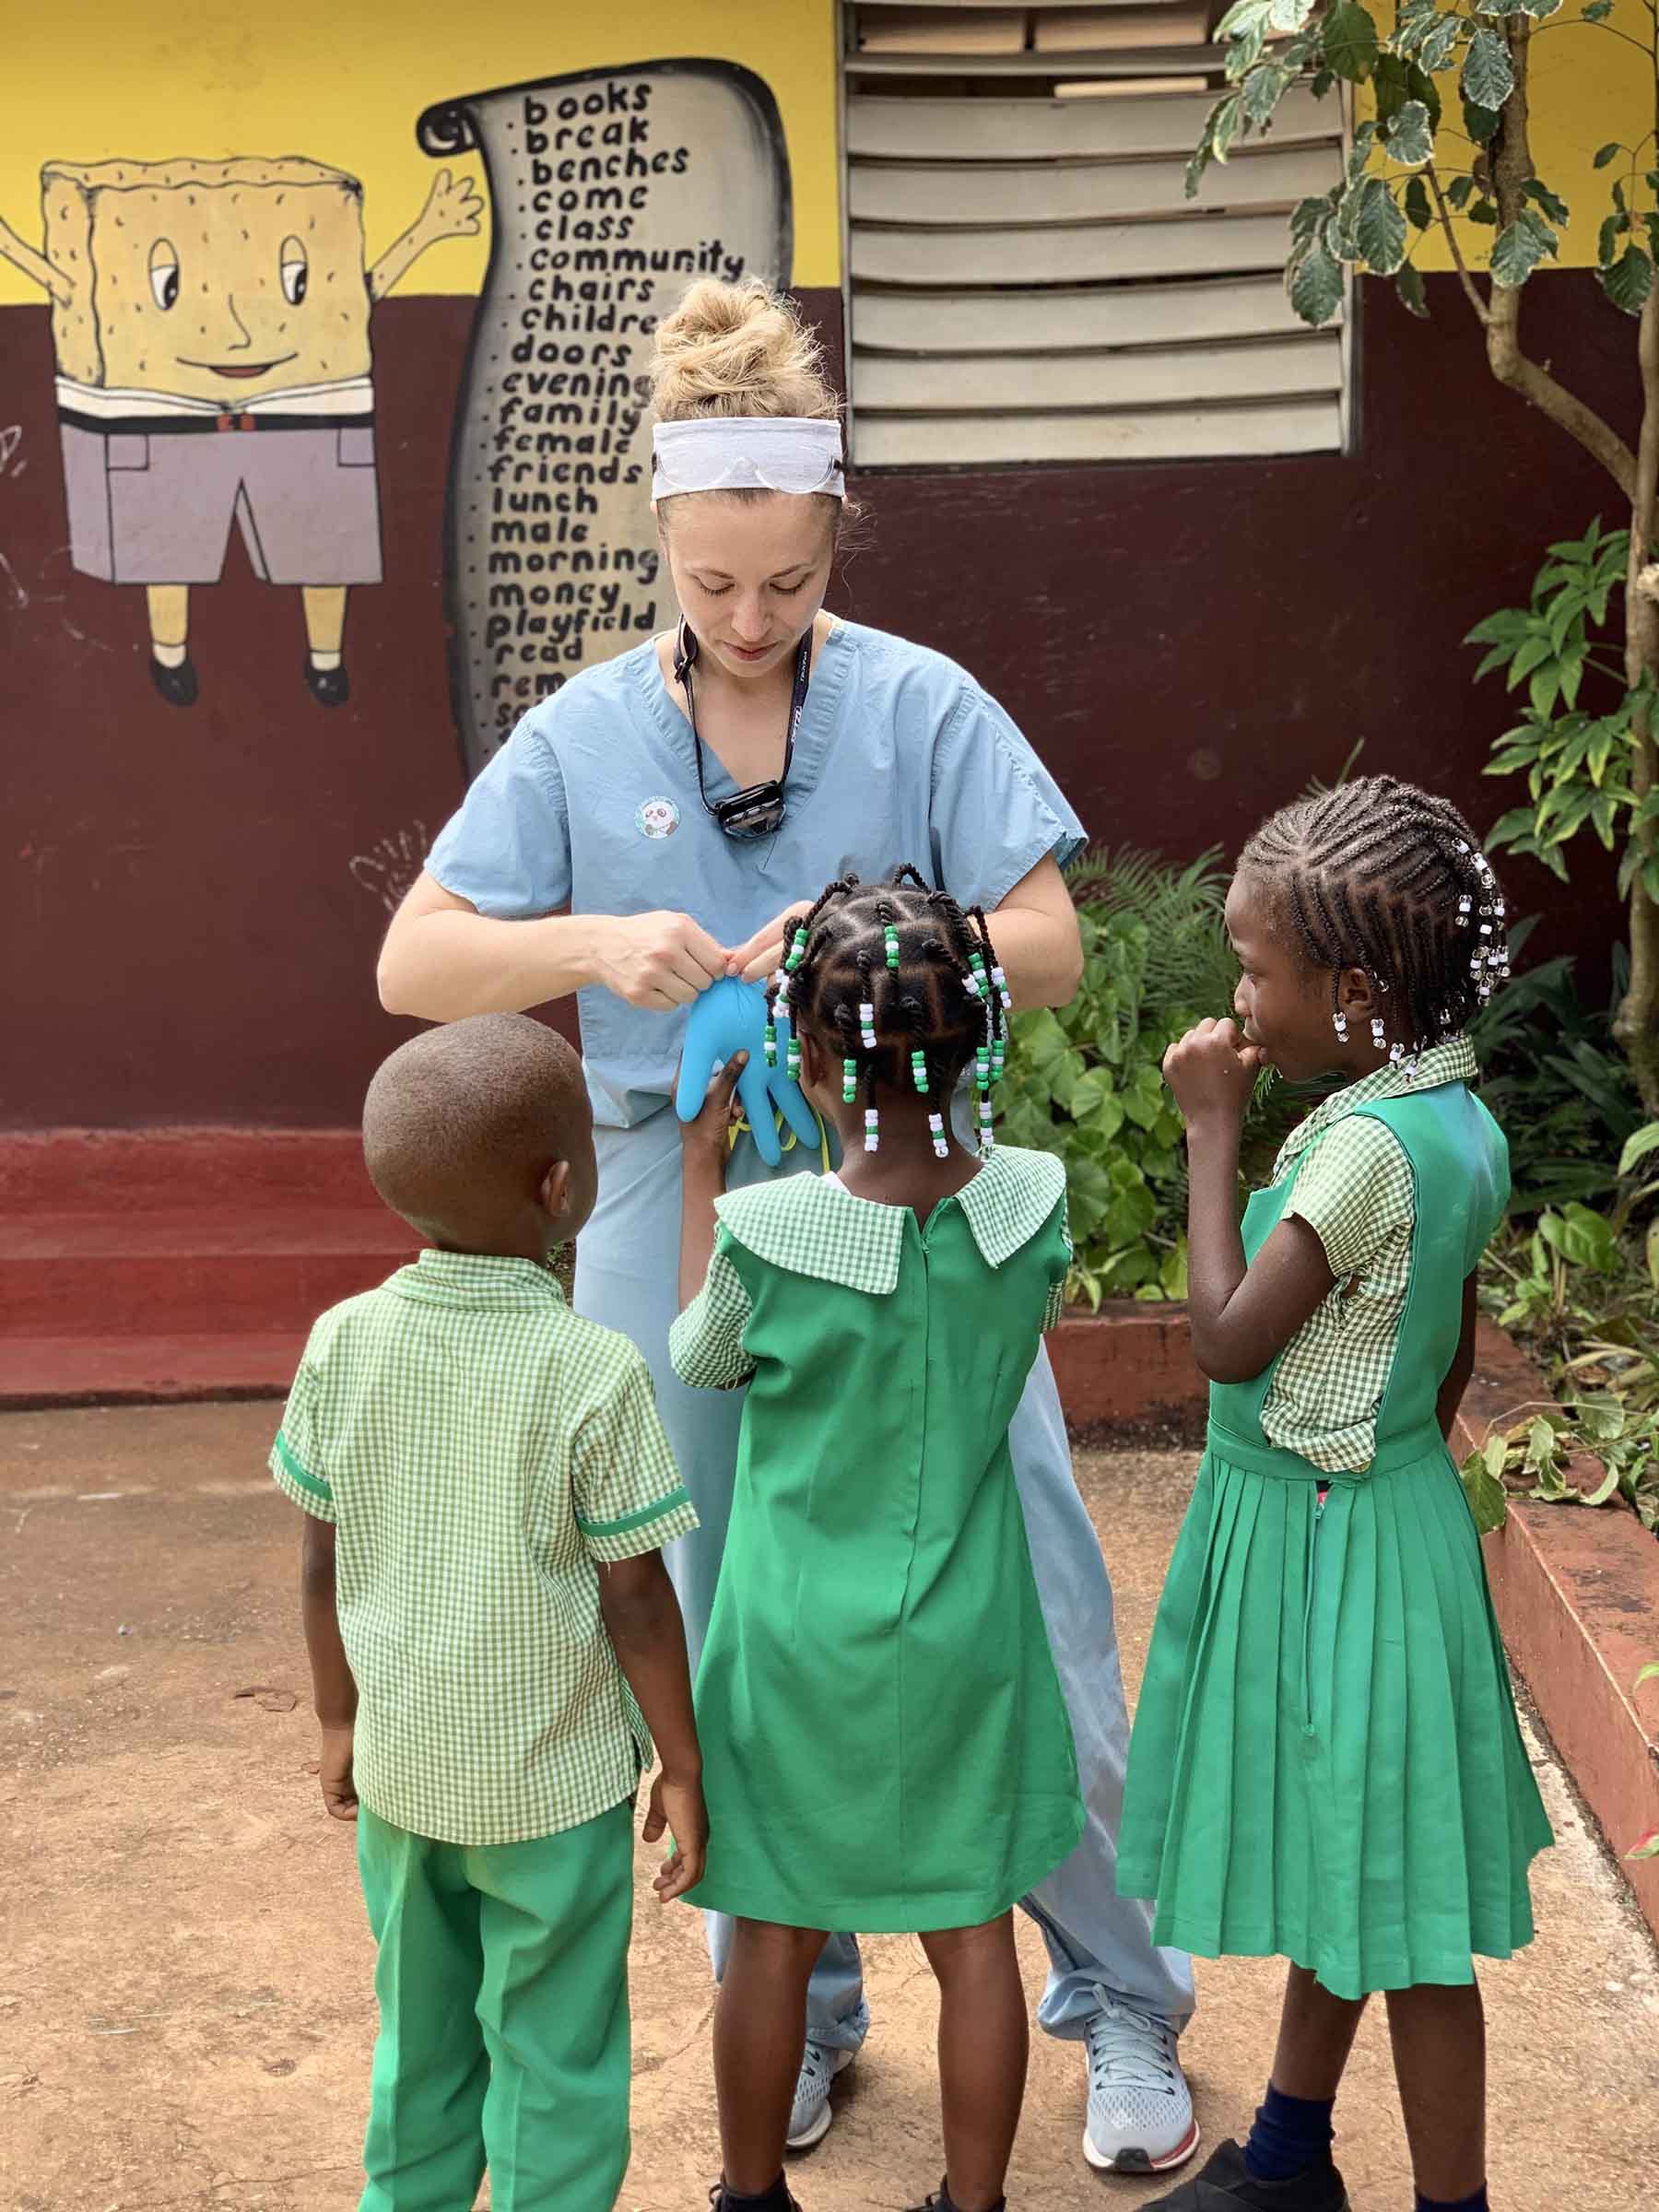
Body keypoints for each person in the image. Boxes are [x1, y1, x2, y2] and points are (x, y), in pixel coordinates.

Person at [377, 275, 1197, 2177]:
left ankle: (1126, 2006)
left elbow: (1055, 944)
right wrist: (593, 944)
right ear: (661, 539)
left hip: (915, 1194)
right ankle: (807, 2004)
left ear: (834, 538)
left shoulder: (921, 702)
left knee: (1035, 1613)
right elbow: (417, 958)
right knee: (725, 1621)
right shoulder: (583, 734)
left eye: (787, 584)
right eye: (713, 583)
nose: (749, 623)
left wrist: (852, 953)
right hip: (667, 1194)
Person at [1116, 778, 1553, 2212]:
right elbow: (1451, 1350)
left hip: (1328, 1537)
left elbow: (1231, 1341)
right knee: (1349, 1852)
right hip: (1389, 1519)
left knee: (1409, 1919)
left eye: (1254, 969)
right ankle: (1293, 2157)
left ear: (1357, 990)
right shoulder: (1451, 1115)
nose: (1237, 994)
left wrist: (1206, 1135)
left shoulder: (1360, 1149)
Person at [672, 872, 1085, 2212]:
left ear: (806, 1054)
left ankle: (750, 2195)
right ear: (979, 1039)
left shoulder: (765, 1232)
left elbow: (702, 1359)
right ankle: (974, 2204)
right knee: (971, 1941)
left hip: (793, 1648)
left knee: (775, 1938)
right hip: (966, 1633)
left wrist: (697, 1178)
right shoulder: (1033, 1203)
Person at [269, 1013, 706, 2212]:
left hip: (405, 1778)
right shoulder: (593, 1368)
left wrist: (335, 1721)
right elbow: (636, 1597)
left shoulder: (343, 1342)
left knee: (418, 2044)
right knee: (555, 2061)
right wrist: (680, 1760)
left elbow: (320, 1559)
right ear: (560, 1185)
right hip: (552, 1795)